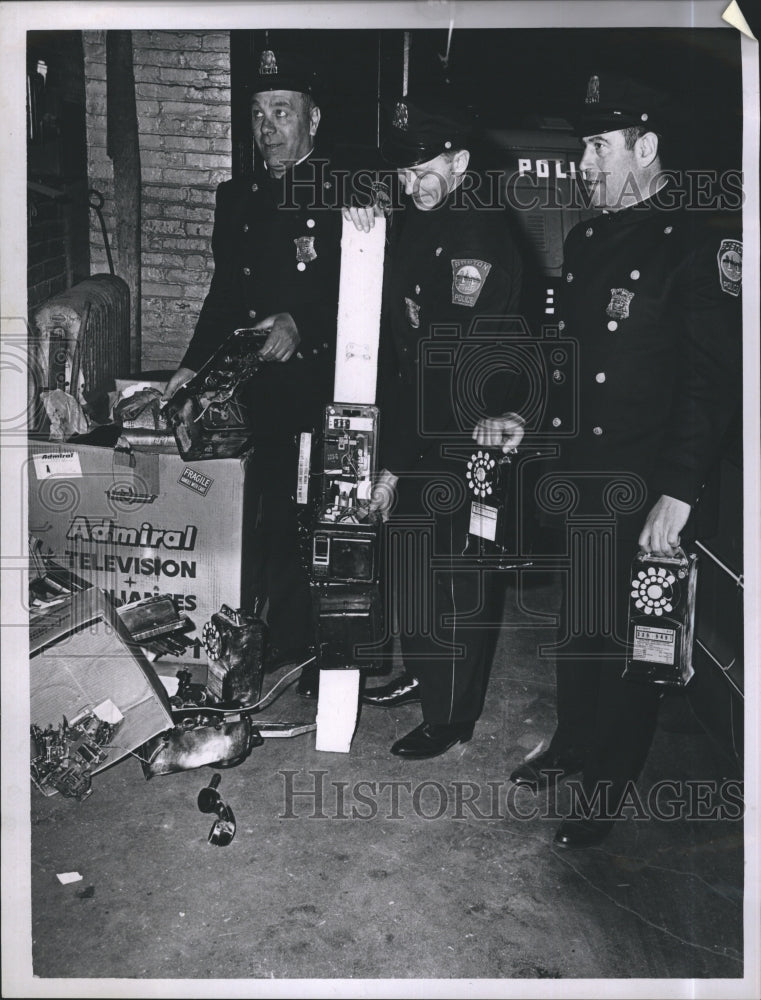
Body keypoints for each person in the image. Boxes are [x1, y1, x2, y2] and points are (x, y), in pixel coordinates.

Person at [508, 73, 743, 848]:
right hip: (579, 476)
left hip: (644, 484)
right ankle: (573, 744)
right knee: (578, 625)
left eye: (598, 146)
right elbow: (567, 360)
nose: (582, 161)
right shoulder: (582, 239)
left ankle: (605, 786)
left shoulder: (699, 240)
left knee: (632, 642)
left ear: (645, 148)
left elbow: (712, 385)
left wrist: (677, 492)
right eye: (581, 145)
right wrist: (527, 419)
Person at [348, 91, 525, 759]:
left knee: (455, 579)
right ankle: (426, 676)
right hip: (423, 420)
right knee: (414, 564)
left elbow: (442, 365)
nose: (410, 183)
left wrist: (392, 462)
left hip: (460, 428)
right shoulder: (430, 216)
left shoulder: (473, 237)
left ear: (460, 162)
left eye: (424, 169)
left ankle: (450, 716)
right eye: (401, 172)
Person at [163, 49, 345, 698]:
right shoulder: (235, 197)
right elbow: (223, 295)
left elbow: (359, 294)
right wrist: (188, 368)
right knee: (248, 517)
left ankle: (309, 647)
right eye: (258, 115)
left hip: (310, 392)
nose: (267, 127)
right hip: (243, 391)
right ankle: (251, 642)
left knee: (304, 518)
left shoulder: (342, 197)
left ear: (312, 119)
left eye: (281, 112)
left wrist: (303, 324)